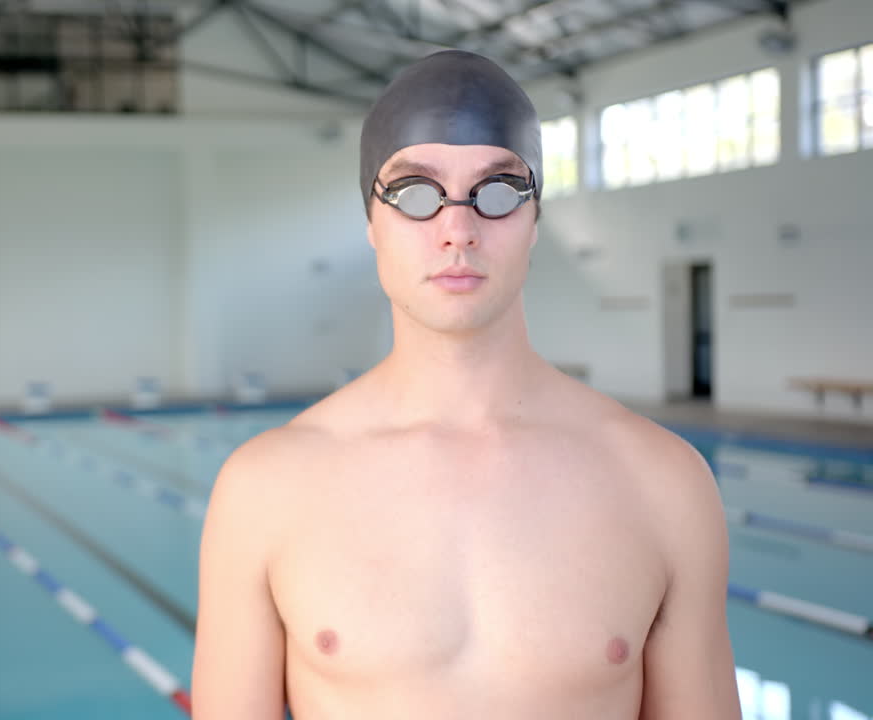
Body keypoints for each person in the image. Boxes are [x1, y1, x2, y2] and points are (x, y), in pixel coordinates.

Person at [191, 50, 740, 720]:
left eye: (498, 192)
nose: (458, 230)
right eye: (416, 193)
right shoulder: (265, 487)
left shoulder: (664, 482)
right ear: (371, 221)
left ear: (535, 218)